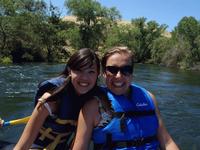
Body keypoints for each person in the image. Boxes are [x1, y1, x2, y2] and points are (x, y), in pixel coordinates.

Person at [72, 46, 179, 150]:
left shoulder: (149, 98)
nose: (118, 76)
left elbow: (167, 142)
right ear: (104, 73)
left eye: (126, 69)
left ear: (132, 73)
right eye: (112, 69)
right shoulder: (92, 106)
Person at [14, 48, 101, 150]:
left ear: (98, 74)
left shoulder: (97, 99)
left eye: (91, 72)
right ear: (69, 71)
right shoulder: (52, 98)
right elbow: (22, 146)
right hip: (37, 146)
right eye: (79, 70)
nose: (85, 78)